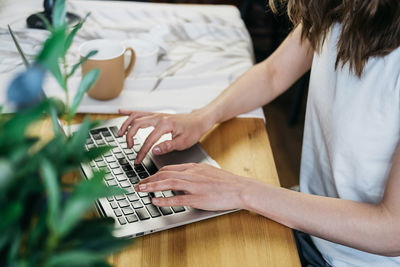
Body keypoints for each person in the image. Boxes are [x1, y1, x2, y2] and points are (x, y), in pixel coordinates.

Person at [118, 0, 400, 265]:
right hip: (307, 220)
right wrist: (201, 118)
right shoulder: (339, 8)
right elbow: (273, 73)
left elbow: (391, 230)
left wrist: (241, 190)